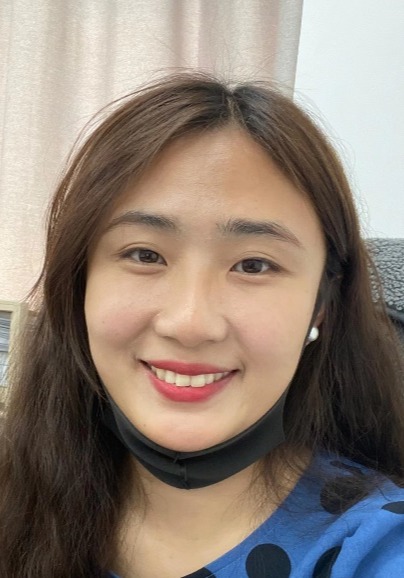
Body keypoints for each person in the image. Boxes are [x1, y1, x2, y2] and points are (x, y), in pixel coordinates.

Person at [1, 72, 404, 578]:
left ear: (322, 304)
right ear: (79, 284)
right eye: (145, 255)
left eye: (254, 265)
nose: (190, 324)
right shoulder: (15, 499)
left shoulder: (375, 549)